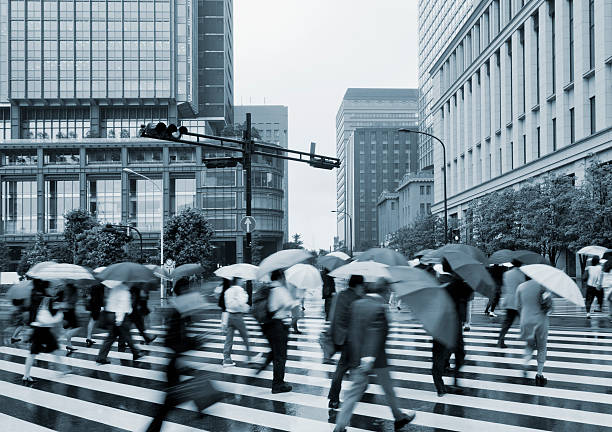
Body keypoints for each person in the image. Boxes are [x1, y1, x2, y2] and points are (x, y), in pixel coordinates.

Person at [333, 279, 415, 432]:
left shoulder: (356, 304)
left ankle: (340, 426)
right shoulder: (379, 308)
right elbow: (375, 331)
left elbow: (351, 330)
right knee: (389, 389)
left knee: (353, 393)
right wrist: (368, 357)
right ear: (384, 292)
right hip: (375, 358)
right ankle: (398, 417)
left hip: (357, 356)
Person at [146, 277, 223, 432]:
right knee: (168, 404)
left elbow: (177, 338)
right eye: (188, 288)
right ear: (182, 291)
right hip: (175, 363)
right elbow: (170, 340)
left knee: (190, 385)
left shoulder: (180, 311)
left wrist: (194, 340)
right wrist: (194, 342)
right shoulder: (176, 311)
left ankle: (200, 409)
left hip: (178, 361)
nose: (190, 291)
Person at [432, 258, 472, 396]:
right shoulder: (457, 283)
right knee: (455, 353)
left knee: (441, 354)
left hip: (442, 323)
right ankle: (445, 384)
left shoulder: (444, 281)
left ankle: (441, 385)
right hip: (451, 324)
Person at [327, 274, 365, 410]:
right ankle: (335, 398)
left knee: (342, 367)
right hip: (350, 339)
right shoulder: (356, 298)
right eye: (362, 285)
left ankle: (334, 398)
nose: (363, 288)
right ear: (358, 285)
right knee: (347, 367)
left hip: (339, 336)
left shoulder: (340, 295)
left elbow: (333, 315)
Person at [255, 269, 296, 393]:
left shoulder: (269, 289)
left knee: (275, 352)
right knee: (280, 356)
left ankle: (263, 366)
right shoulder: (281, 290)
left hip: (268, 325)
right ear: (280, 277)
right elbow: (290, 304)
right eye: (284, 276)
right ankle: (278, 384)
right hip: (278, 326)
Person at [23, 278, 70, 382]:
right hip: (41, 330)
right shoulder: (47, 300)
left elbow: (34, 313)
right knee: (35, 352)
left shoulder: (36, 296)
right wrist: (61, 310)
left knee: (52, 349)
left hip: (40, 329)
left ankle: (63, 369)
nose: (54, 290)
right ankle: (26, 375)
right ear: (46, 288)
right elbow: (53, 318)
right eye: (52, 288)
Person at [96, 283, 144, 364]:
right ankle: (136, 353)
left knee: (111, 338)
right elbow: (121, 306)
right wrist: (119, 319)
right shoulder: (124, 291)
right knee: (127, 335)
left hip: (111, 315)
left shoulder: (114, 288)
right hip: (120, 316)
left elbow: (109, 302)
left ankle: (101, 357)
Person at [516, 278, 551, 386]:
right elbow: (549, 305)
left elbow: (518, 306)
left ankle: (526, 363)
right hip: (541, 320)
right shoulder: (543, 286)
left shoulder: (520, 287)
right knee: (541, 346)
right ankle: (539, 374)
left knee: (529, 344)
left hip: (525, 319)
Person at [221, 278, 258, 367]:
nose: (242, 281)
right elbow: (242, 302)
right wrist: (245, 296)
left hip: (229, 315)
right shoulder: (239, 290)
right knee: (245, 336)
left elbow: (226, 304)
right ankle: (249, 357)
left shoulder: (228, 291)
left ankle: (226, 359)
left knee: (229, 339)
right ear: (237, 281)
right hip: (237, 316)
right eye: (241, 280)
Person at [497, 259, 527, 348]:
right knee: (526, 320)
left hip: (509, 300)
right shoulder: (521, 274)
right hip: (519, 301)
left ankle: (500, 339)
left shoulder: (507, 274)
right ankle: (532, 339)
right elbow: (523, 287)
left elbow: (505, 287)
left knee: (507, 322)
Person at [58, 283, 81, 355]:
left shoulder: (65, 290)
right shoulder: (73, 289)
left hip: (66, 311)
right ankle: (67, 336)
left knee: (69, 328)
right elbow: (73, 301)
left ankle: (69, 345)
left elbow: (63, 301)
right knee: (77, 327)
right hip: (71, 311)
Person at [85, 283, 105, 347]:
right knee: (92, 322)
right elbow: (101, 297)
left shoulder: (94, 286)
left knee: (91, 321)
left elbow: (90, 296)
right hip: (97, 306)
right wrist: (102, 306)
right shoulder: (101, 287)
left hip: (93, 305)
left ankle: (89, 338)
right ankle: (88, 338)